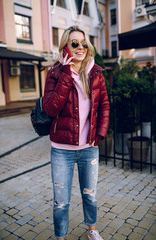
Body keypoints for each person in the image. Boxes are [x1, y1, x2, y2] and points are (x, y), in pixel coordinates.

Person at [43, 25, 110, 240]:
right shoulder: (54, 73)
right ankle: (60, 237)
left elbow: (104, 106)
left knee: (89, 196)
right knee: (61, 201)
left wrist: (99, 135)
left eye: (83, 43)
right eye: (74, 43)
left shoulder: (96, 72)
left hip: (88, 148)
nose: (80, 47)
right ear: (65, 46)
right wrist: (65, 73)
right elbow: (51, 108)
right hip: (61, 150)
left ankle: (92, 229)